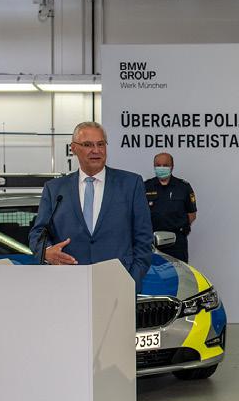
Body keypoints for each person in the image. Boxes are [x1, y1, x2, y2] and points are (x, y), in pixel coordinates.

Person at [28, 121, 153, 292]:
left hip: (119, 285)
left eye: (100, 144)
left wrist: (132, 279)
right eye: (88, 145)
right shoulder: (55, 189)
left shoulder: (131, 184)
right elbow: (38, 233)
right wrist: (46, 252)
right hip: (67, 286)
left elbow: (144, 239)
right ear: (73, 148)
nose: (96, 150)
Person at [144, 152, 197, 262]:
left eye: (165, 165)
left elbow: (192, 214)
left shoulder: (183, 187)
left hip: (176, 244)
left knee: (178, 272)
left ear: (172, 166)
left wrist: (178, 228)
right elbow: (139, 214)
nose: (161, 168)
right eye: (158, 165)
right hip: (152, 243)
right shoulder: (146, 186)